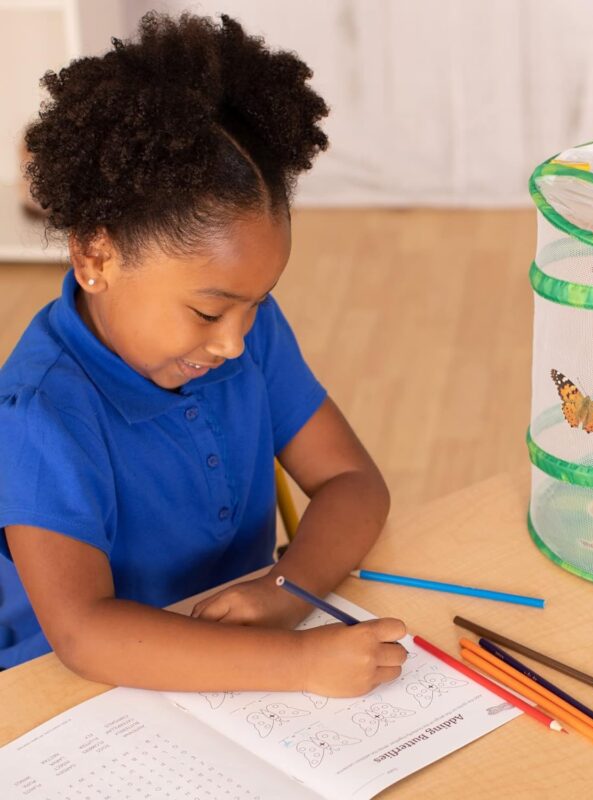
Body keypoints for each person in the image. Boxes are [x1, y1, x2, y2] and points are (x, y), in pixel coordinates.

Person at [0, 12, 407, 695]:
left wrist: (287, 586)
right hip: (66, 697)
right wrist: (302, 664)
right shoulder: (39, 414)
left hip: (234, 656)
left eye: (257, 302)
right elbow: (82, 634)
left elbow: (354, 484)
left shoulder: (248, 334)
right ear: (96, 255)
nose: (235, 341)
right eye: (210, 310)